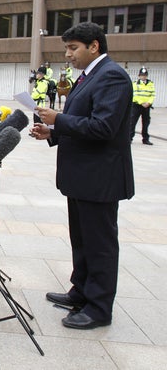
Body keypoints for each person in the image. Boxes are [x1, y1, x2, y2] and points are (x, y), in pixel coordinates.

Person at [31, 21, 134, 330]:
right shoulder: (89, 76)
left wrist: (59, 119)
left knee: (99, 244)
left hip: (99, 179)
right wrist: (51, 131)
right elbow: (80, 121)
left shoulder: (112, 76)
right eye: (67, 48)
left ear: (94, 47)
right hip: (81, 177)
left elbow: (103, 127)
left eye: (73, 48)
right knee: (82, 240)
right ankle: (81, 291)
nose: (67, 55)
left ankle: (99, 308)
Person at [130, 67, 155, 145]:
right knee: (132, 122)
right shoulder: (135, 84)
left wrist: (149, 103)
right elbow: (134, 95)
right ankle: (129, 138)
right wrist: (141, 102)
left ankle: (145, 139)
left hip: (147, 106)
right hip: (137, 105)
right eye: (142, 75)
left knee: (146, 123)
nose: (143, 76)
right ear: (139, 75)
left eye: (145, 75)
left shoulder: (151, 84)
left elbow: (153, 94)